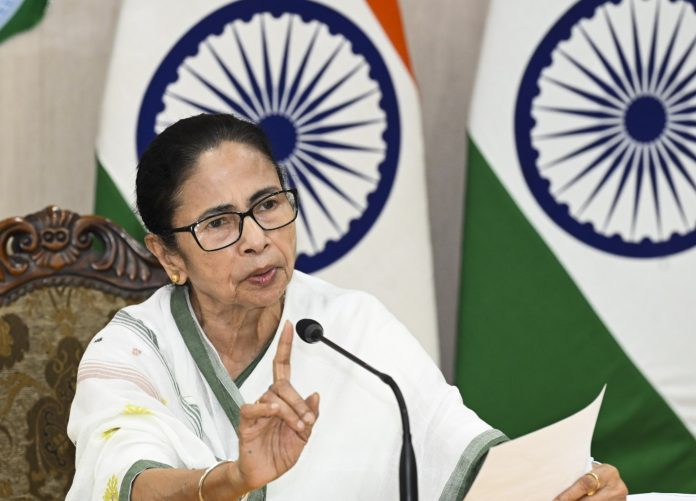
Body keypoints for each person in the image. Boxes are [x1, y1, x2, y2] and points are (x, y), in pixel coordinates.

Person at [66, 113, 628, 500]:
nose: (257, 239)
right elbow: (124, 483)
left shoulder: (348, 327)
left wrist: (576, 482)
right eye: (218, 224)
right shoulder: (132, 353)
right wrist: (232, 479)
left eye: (268, 205)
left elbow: (460, 451)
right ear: (168, 255)